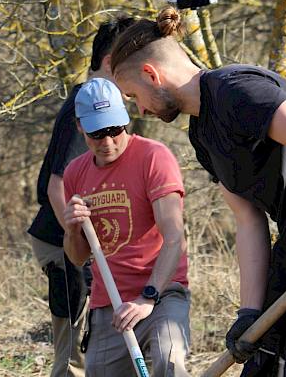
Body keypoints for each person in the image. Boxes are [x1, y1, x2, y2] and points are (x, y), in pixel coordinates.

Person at [108, 7, 286, 375]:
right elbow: (248, 220)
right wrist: (249, 312)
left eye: (133, 95)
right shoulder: (202, 136)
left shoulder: (237, 90)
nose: (140, 110)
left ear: (152, 74)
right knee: (260, 355)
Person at [27, 16, 135, 377]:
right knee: (73, 355)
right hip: (63, 243)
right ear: (110, 62)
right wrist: (82, 252)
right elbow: (56, 186)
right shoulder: (86, 109)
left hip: (79, 245)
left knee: (95, 348)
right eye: (131, 61)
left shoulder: (98, 107)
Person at [62, 78, 190, 376]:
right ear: (80, 127)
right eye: (97, 133)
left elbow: (175, 238)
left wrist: (148, 297)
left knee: (169, 361)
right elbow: (78, 257)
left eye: (114, 129)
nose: (107, 142)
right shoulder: (75, 173)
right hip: (110, 302)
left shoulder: (153, 157)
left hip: (162, 293)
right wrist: (72, 229)